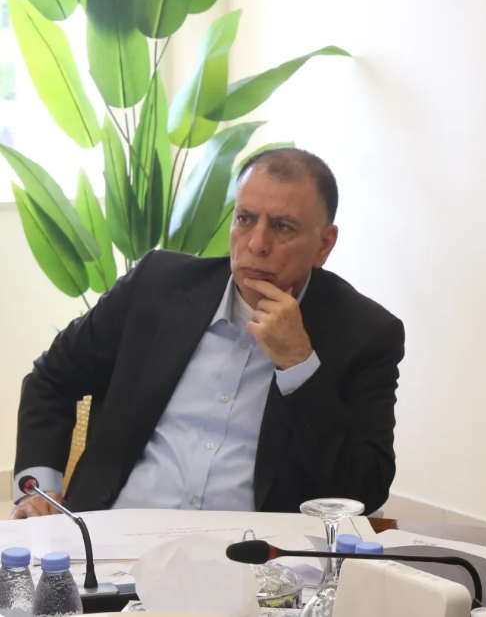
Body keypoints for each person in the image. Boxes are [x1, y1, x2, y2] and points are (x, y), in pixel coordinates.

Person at [12, 148, 404, 518]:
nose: (257, 244)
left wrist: (298, 365)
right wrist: (37, 492)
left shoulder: (364, 334)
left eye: (282, 226)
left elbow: (364, 489)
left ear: (324, 244)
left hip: (249, 554)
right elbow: (51, 379)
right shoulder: (157, 285)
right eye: (245, 219)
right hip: (112, 537)